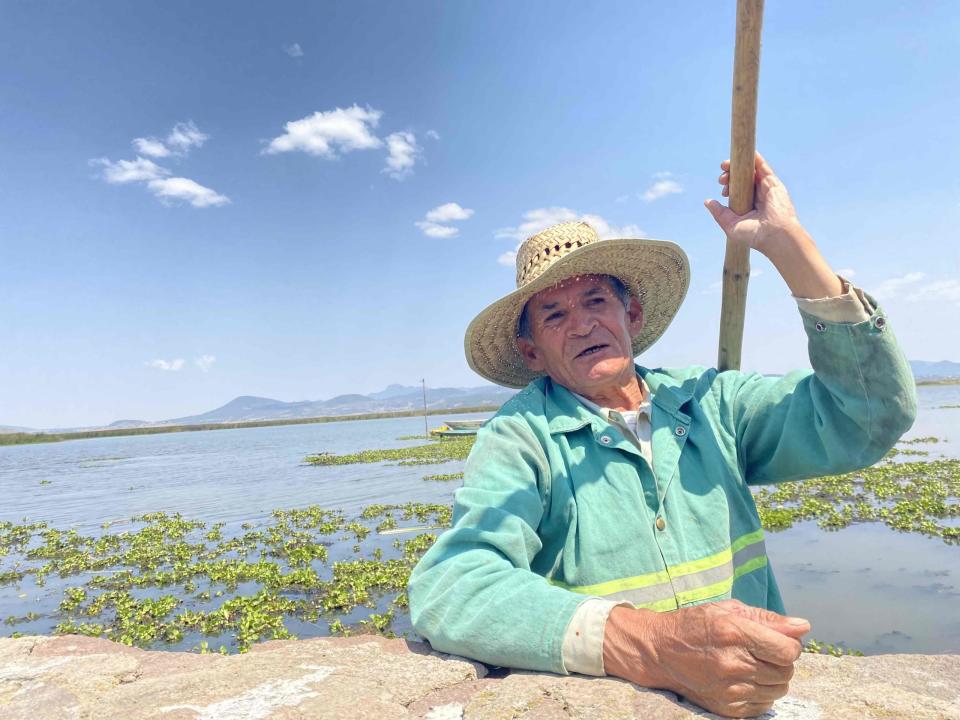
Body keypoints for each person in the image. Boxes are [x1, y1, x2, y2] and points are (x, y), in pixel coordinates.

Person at [407, 153, 916, 718]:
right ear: (532, 353)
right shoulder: (519, 439)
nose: (582, 324)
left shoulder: (712, 402)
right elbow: (453, 585)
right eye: (553, 315)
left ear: (634, 316)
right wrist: (654, 644)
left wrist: (786, 244)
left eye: (597, 301)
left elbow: (866, 418)